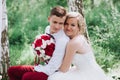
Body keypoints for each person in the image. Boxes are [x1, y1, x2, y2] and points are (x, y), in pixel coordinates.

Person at [7, 6, 69, 80]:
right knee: (12, 71)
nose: (57, 26)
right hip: (45, 66)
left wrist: (37, 70)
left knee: (27, 77)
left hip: (54, 72)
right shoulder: (48, 29)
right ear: (49, 19)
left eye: (61, 23)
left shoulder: (62, 40)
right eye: (54, 22)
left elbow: (53, 66)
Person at [48, 12, 110, 80]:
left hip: (89, 75)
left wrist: (50, 63)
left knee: (54, 77)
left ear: (79, 27)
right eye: (66, 24)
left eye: (73, 25)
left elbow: (64, 69)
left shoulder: (73, 43)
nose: (68, 27)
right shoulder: (79, 37)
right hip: (93, 71)